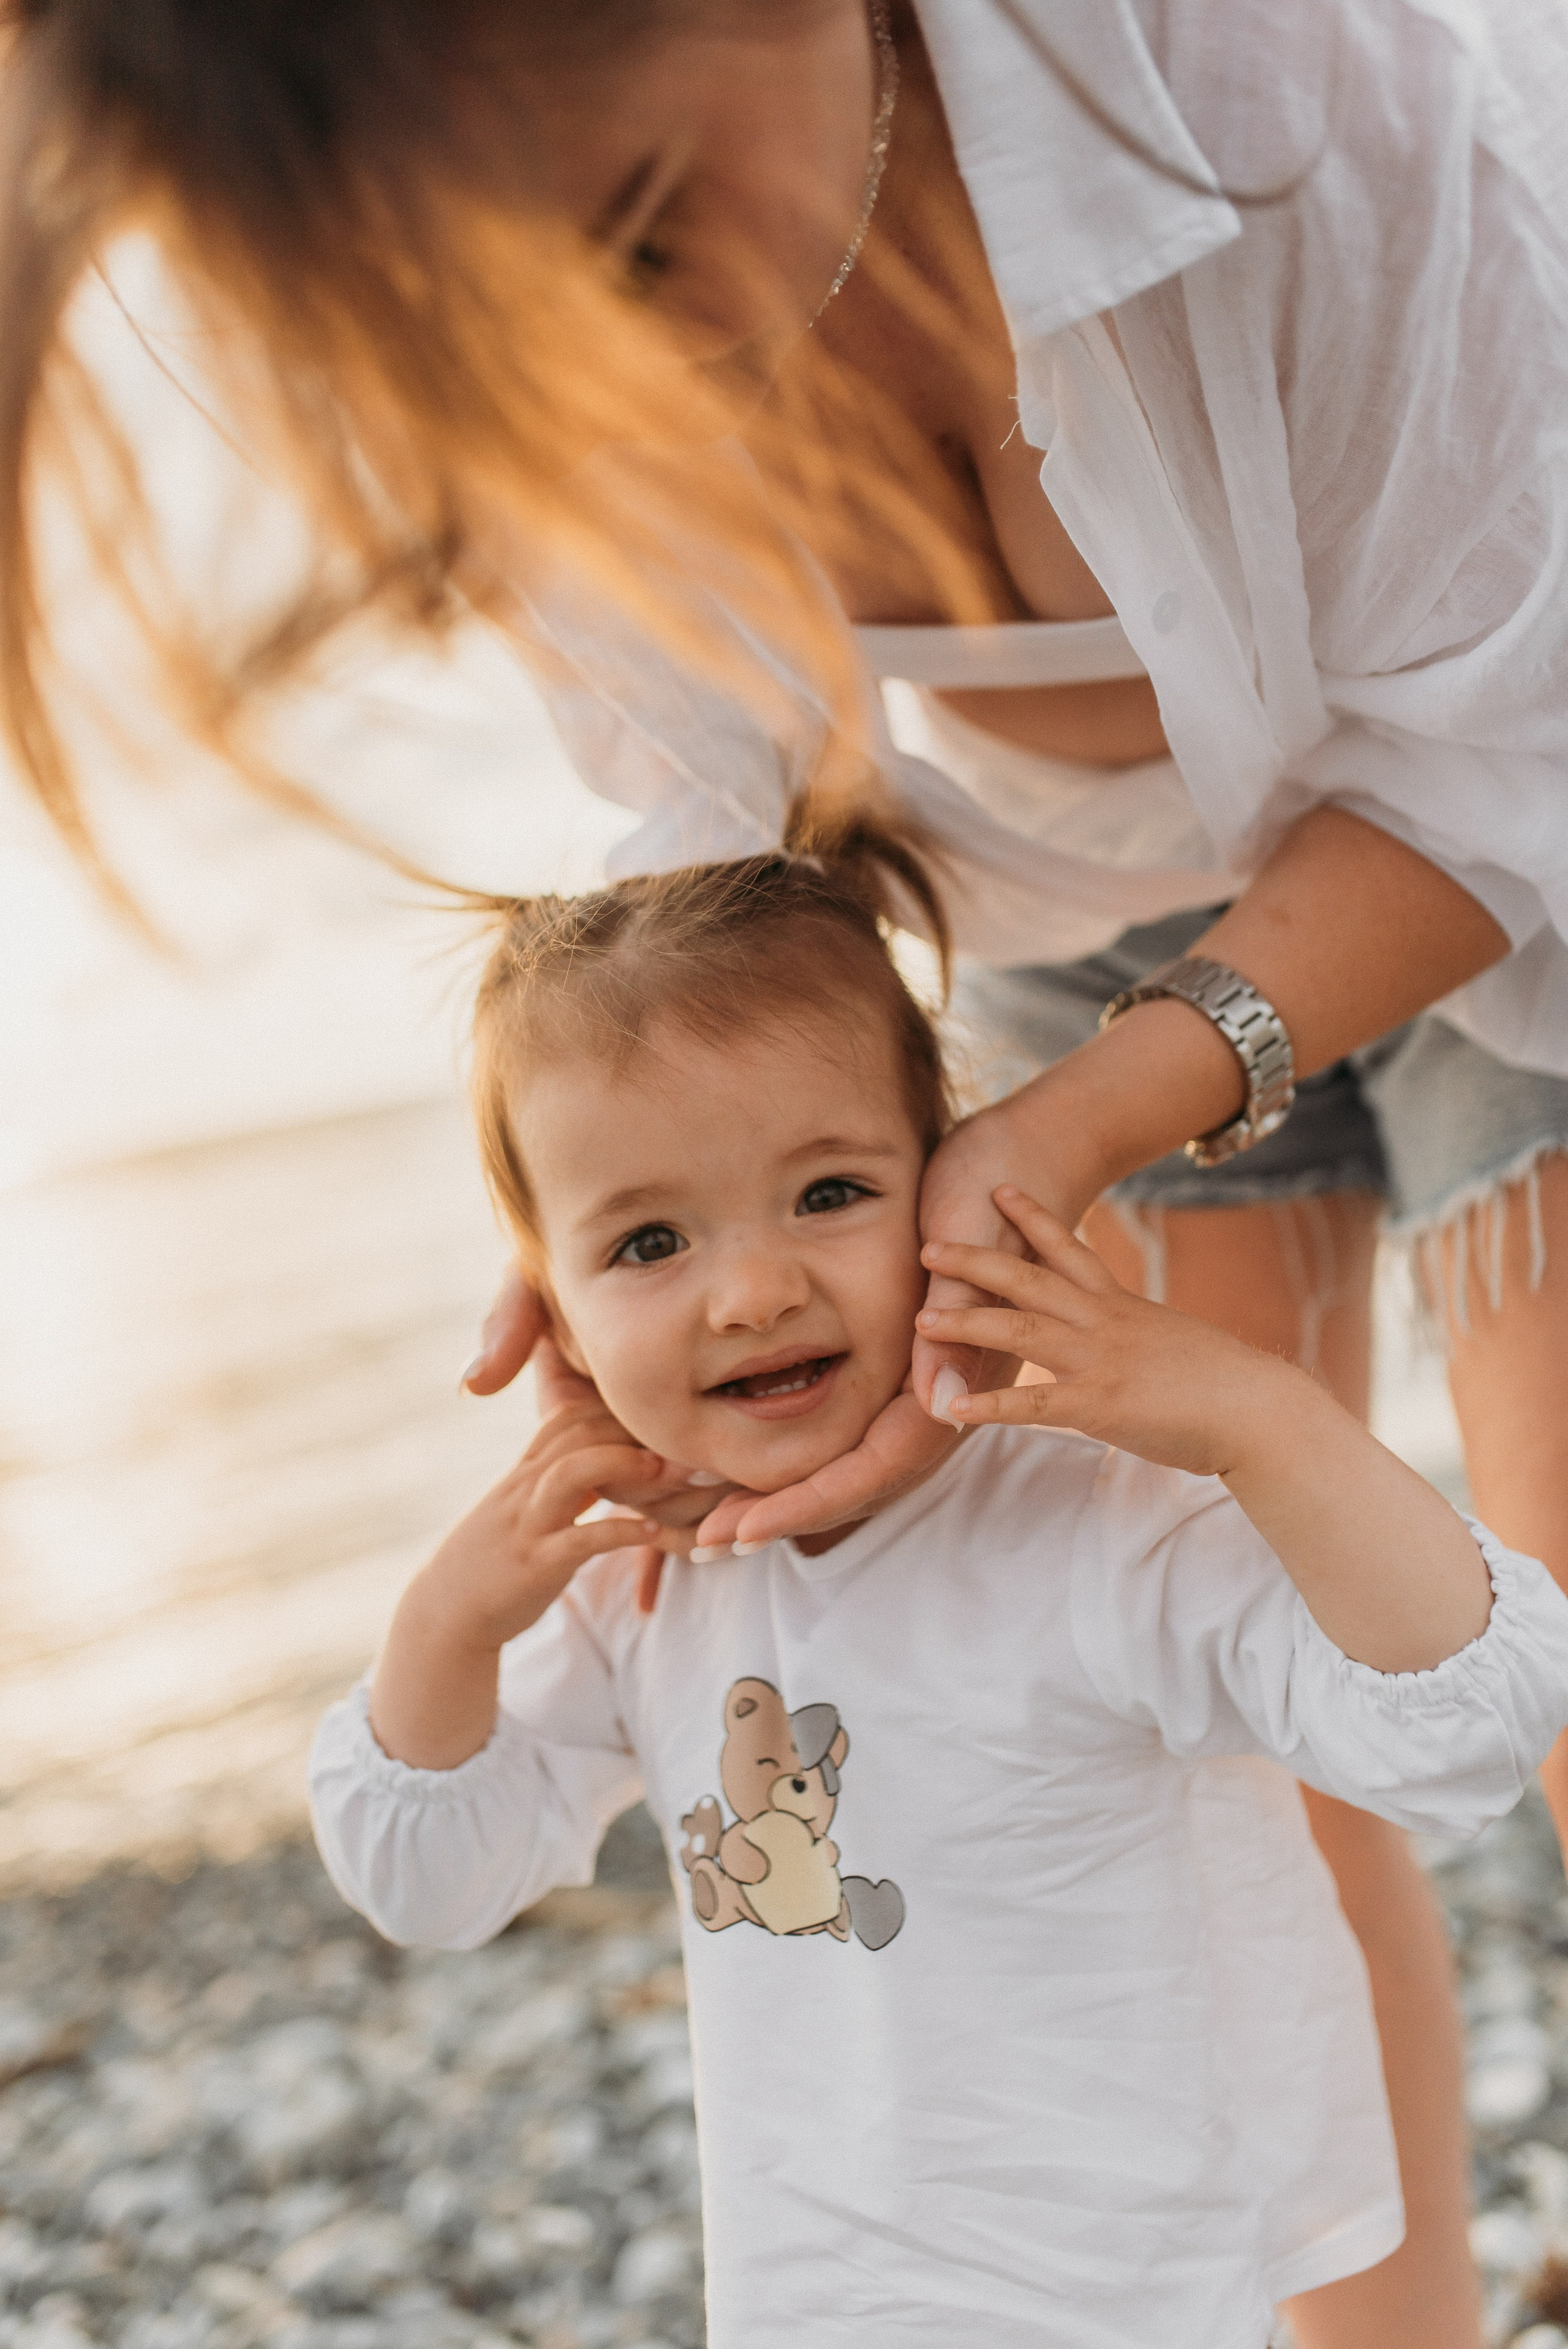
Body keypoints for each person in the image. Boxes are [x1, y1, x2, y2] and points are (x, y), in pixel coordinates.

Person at [6, 6, 1568, 2339]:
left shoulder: (1305, 94)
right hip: (1042, 922)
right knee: (1255, 1745)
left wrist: (1076, 1167)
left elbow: (1502, 767)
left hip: (1521, 788)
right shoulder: (453, 275)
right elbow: (709, 858)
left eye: (634, 227)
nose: (602, 349)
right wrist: (704, 1232)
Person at [310, 826, 1568, 2349]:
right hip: (823, 2284)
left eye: (828, 1191)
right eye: (646, 1240)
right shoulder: (642, 1581)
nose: (751, 1287)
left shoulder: (1097, 1519)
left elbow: (1464, 1719)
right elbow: (429, 1876)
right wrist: (449, 1618)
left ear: (951, 1177)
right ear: (548, 1308)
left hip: (1134, 2276)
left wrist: (1252, 1416)